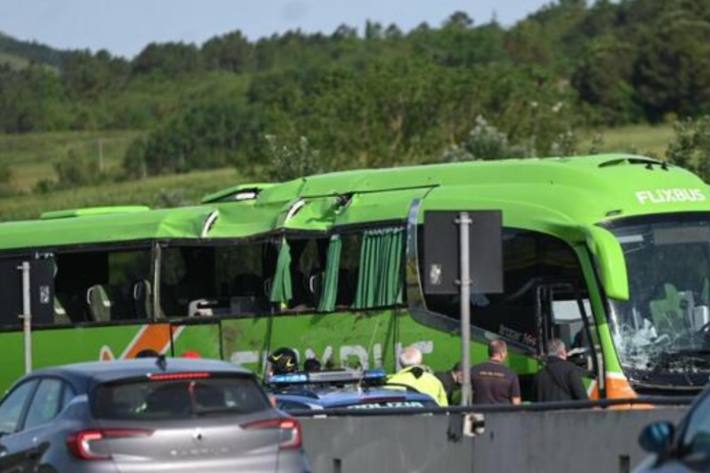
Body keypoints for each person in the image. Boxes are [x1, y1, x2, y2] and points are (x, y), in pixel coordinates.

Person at [470, 339, 521, 405]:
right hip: (502, 414)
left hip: (479, 413)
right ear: (502, 354)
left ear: (489, 352)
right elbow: (516, 402)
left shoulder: (474, 370)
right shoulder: (511, 374)